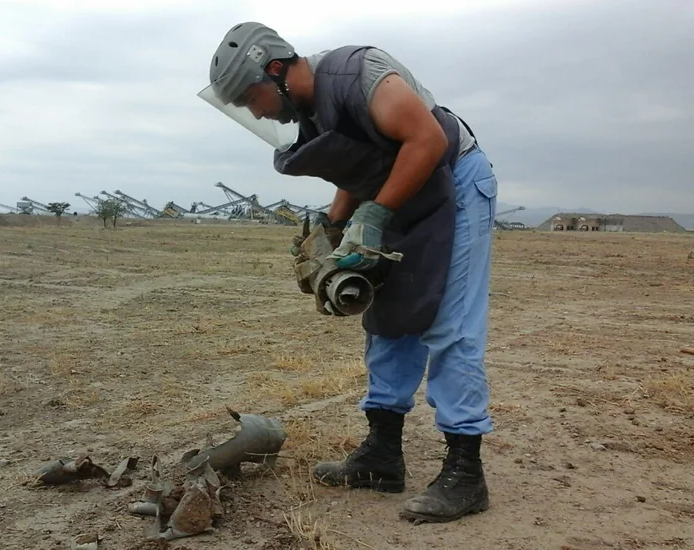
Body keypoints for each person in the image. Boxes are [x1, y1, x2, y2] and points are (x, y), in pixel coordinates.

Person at [199, 22, 497, 525]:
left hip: (455, 180)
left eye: (252, 98)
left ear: (276, 71)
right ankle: (382, 458)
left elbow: (423, 139)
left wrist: (374, 216)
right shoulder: (312, 111)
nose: (256, 112)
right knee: (386, 316)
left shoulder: (358, 74)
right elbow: (359, 170)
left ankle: (467, 475)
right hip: (400, 189)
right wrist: (335, 227)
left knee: (449, 325)